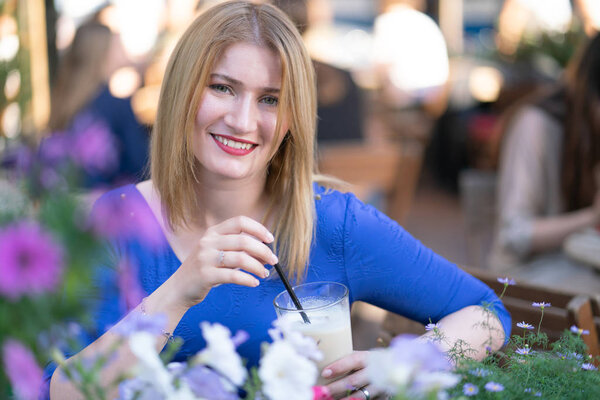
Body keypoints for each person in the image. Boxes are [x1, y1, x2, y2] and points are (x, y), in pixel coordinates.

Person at [46, 2, 510, 399]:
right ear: (183, 93)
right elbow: (59, 390)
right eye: (222, 87)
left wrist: (405, 365)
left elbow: (488, 314)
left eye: (270, 99)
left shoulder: (332, 224)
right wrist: (175, 294)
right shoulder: (116, 223)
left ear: (292, 119)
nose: (244, 120)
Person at [488, 33, 600, 290]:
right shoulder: (537, 125)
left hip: (578, 270)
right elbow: (513, 235)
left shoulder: (589, 131)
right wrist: (592, 216)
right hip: (526, 282)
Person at [46, 21, 149, 190]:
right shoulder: (117, 107)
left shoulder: (67, 105)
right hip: (112, 208)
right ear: (104, 53)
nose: (123, 48)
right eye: (116, 44)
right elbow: (142, 168)